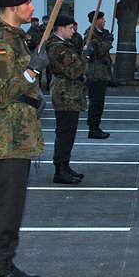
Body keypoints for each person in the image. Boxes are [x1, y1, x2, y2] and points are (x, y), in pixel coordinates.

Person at [0, 0, 47, 277]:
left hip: (19, 134)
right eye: (28, 3)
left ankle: (6, 262)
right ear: (13, 7)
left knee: (12, 206)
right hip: (6, 137)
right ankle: (0, 269)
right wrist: (31, 73)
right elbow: (2, 90)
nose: (32, 8)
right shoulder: (2, 40)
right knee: (7, 206)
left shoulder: (17, 38)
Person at [46, 14, 86, 185]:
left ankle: (65, 166)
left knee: (69, 133)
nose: (73, 30)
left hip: (70, 94)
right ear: (60, 28)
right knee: (65, 133)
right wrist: (86, 58)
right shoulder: (57, 47)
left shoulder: (64, 45)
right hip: (65, 94)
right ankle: (60, 170)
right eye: (70, 27)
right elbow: (73, 71)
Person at [85, 10, 112, 139]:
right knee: (95, 102)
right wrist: (107, 43)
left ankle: (96, 126)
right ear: (96, 21)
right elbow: (98, 51)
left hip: (103, 73)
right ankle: (93, 128)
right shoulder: (90, 34)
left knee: (100, 103)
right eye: (102, 19)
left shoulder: (103, 34)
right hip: (95, 73)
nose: (104, 21)